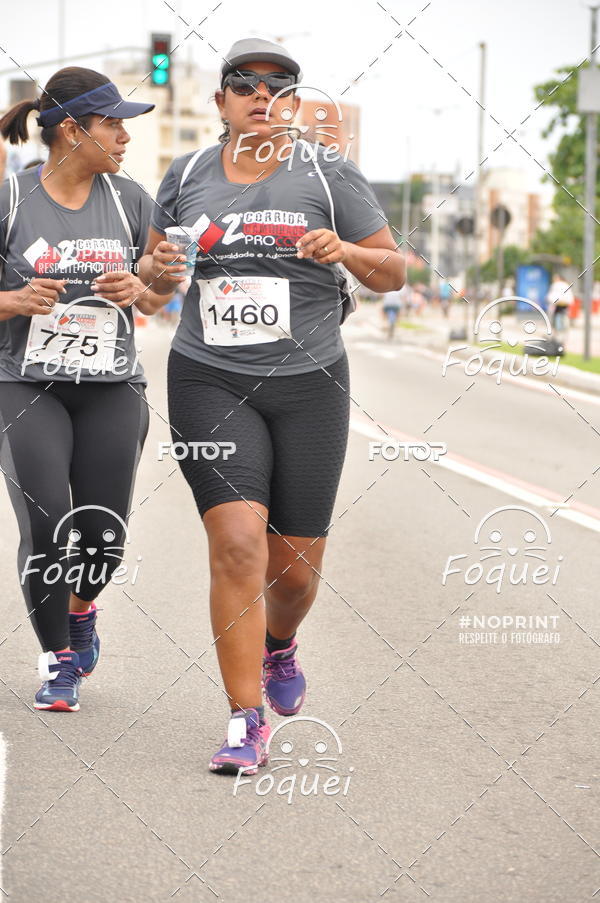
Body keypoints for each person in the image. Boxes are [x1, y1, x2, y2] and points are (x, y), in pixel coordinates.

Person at [139, 37, 405, 775]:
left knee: (292, 576)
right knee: (236, 546)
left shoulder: (330, 176)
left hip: (310, 383)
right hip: (208, 378)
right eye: (246, 86)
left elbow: (395, 271)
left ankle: (280, 641)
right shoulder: (187, 173)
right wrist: (155, 270)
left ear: (293, 104)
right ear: (220, 101)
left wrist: (344, 252)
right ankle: (244, 717)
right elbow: (155, 285)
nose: (263, 97)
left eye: (280, 88)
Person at [0, 67, 173, 712]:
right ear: (72, 130)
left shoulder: (131, 201)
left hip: (110, 387)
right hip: (26, 386)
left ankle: (80, 609)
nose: (125, 136)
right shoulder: (11, 201)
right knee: (45, 521)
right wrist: (14, 300)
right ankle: (57, 661)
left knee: (104, 536)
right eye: (113, 123)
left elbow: (160, 290)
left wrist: (146, 287)